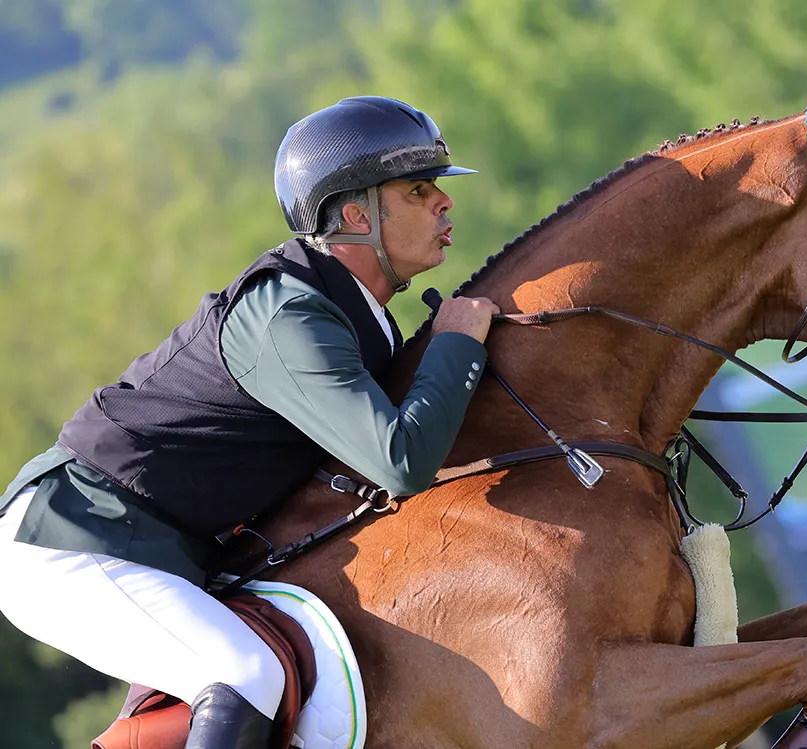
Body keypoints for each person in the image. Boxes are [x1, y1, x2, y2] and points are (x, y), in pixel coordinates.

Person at [0, 96, 499, 748]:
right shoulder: (289, 316)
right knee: (243, 674)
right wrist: (457, 346)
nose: (444, 202)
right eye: (417, 189)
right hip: (76, 538)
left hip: (145, 544)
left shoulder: (355, 318)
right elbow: (399, 462)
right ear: (355, 214)